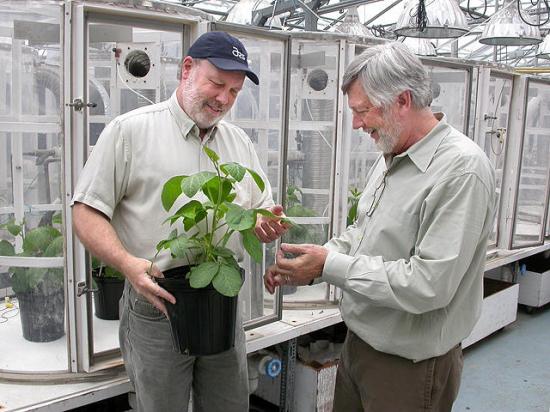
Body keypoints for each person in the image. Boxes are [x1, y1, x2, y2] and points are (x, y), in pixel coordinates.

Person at [264, 42, 496, 412]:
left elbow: (428, 284)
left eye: (363, 110)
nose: (357, 123)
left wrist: (329, 266)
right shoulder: (392, 154)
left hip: (409, 367)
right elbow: (362, 232)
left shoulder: (461, 170)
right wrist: (314, 263)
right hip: (359, 346)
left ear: (402, 101)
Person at [72, 31, 288, 412]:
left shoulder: (240, 144)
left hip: (221, 301)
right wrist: (126, 264)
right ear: (187, 69)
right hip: (157, 300)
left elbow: (256, 213)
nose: (224, 99)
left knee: (229, 404)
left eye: (234, 91)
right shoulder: (130, 131)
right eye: (216, 83)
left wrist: (262, 225)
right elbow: (86, 211)